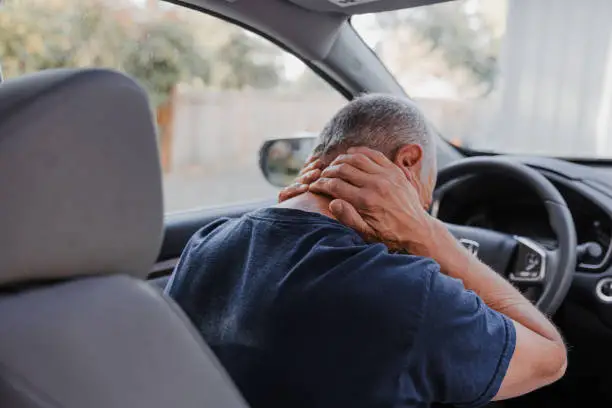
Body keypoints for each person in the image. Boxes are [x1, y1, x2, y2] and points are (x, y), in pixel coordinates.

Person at [166, 94, 567, 408]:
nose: (420, 214)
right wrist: (428, 236)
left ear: (316, 162)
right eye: (423, 202)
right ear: (408, 162)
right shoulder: (407, 293)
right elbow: (550, 358)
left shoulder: (206, 245)